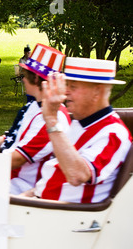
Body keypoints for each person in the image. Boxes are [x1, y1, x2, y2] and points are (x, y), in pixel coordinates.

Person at [26, 57, 132, 203]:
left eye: (73, 87)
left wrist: (51, 120)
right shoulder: (79, 123)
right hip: (41, 207)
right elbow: (54, 179)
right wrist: (22, 198)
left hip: (64, 217)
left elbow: (77, 175)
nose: (66, 92)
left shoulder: (114, 133)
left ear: (97, 91)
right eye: (67, 85)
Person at [0, 43, 71, 195]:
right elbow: (10, 138)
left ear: (37, 79)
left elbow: (17, 160)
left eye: (25, 75)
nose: (23, 79)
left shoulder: (52, 118)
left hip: (18, 189)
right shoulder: (34, 106)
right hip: (6, 178)